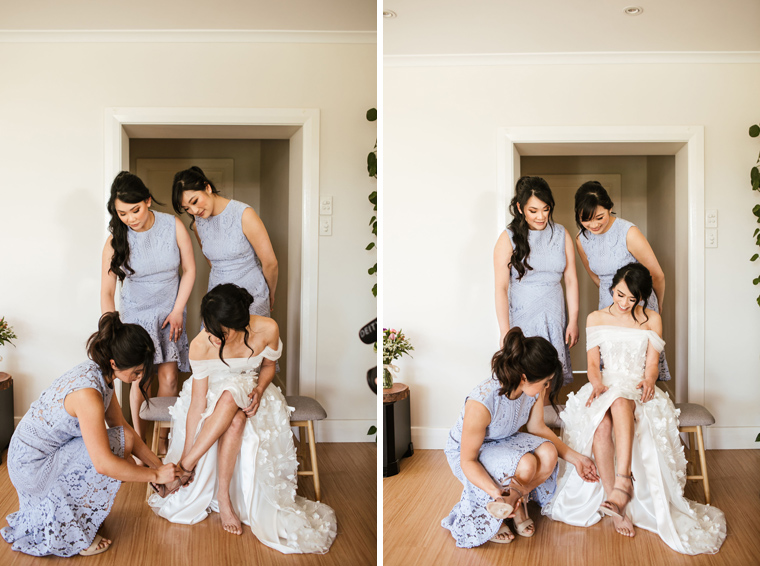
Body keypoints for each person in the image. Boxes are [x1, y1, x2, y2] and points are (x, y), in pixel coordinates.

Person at [544, 263, 726, 554]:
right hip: (604, 384)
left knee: (621, 400)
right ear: (612, 287)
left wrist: (649, 379)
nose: (625, 303)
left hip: (637, 386)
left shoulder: (651, 319)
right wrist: (597, 384)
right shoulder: (596, 317)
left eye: (632, 299)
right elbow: (592, 366)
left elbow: (651, 366)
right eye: (619, 294)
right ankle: (614, 500)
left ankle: (623, 482)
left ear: (641, 298)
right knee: (601, 425)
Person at [149, 284, 336, 554]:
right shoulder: (202, 345)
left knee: (235, 405)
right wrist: (188, 445)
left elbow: (269, 367)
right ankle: (220, 496)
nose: (213, 338)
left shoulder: (267, 329)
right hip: (212, 392)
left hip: (253, 387)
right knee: (230, 408)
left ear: (240, 325)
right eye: (209, 329)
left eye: (221, 334)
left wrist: (259, 390)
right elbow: (197, 404)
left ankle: (185, 471)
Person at [1, 313, 180, 557]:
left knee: (122, 442)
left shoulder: (101, 374)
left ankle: (77, 514)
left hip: (41, 453)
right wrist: (154, 474)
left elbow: (123, 428)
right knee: (114, 459)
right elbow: (103, 464)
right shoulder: (88, 394)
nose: (139, 379)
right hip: (30, 465)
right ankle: (73, 536)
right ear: (115, 363)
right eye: (136, 373)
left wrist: (158, 467)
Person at [441, 328, 599, 548]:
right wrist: (495, 492)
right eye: (545, 382)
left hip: (504, 439)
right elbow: (467, 460)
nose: (547, 387)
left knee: (548, 452)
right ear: (524, 377)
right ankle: (501, 509)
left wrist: (577, 459)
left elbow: (538, 428)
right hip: (469, 453)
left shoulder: (531, 390)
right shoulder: (481, 402)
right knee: (527, 463)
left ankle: (513, 501)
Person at [100, 171, 196, 444]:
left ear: (148, 201)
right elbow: (107, 292)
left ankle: (166, 442)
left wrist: (178, 309)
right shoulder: (114, 241)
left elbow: (189, 270)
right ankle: (140, 444)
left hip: (171, 311)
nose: (131, 219)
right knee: (139, 380)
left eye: (135, 210)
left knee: (169, 378)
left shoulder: (173, 225)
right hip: (135, 315)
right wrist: (112, 330)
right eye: (122, 213)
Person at [574, 180, 670, 381]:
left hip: (638, 300)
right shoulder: (581, 240)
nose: (594, 225)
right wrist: (611, 296)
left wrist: (657, 304)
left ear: (610, 208)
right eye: (586, 220)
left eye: (599, 217)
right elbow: (595, 275)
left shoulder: (629, 232)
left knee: (640, 366)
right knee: (611, 368)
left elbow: (657, 275)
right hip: (609, 301)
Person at [494, 176, 579, 386]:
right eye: (533, 210)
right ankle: (528, 419)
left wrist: (574, 320)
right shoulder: (508, 238)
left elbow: (571, 280)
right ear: (520, 208)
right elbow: (501, 288)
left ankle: (544, 418)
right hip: (524, 316)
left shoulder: (561, 234)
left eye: (545, 209)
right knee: (526, 376)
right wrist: (505, 332)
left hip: (553, 315)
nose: (541, 216)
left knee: (550, 377)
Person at [172, 166, 277, 318]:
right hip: (218, 300)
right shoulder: (197, 225)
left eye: (194, 201)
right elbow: (212, 262)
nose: (194, 211)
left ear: (207, 187)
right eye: (186, 208)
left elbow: (270, 262)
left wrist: (270, 294)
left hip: (252, 296)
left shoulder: (244, 214)